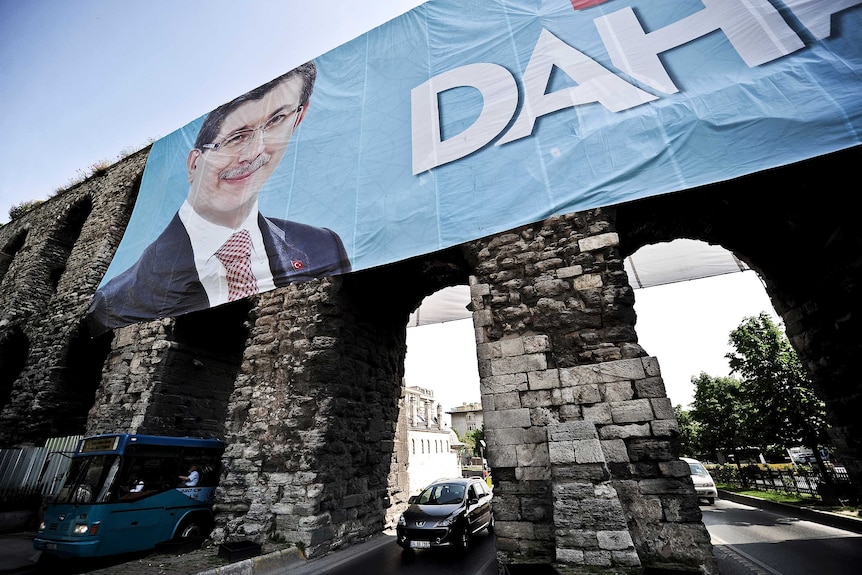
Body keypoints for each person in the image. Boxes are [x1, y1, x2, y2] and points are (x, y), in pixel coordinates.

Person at [87, 61, 351, 334]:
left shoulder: (322, 246)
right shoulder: (115, 299)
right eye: (235, 137)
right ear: (194, 164)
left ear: (299, 116)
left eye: (276, 121)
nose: (255, 152)